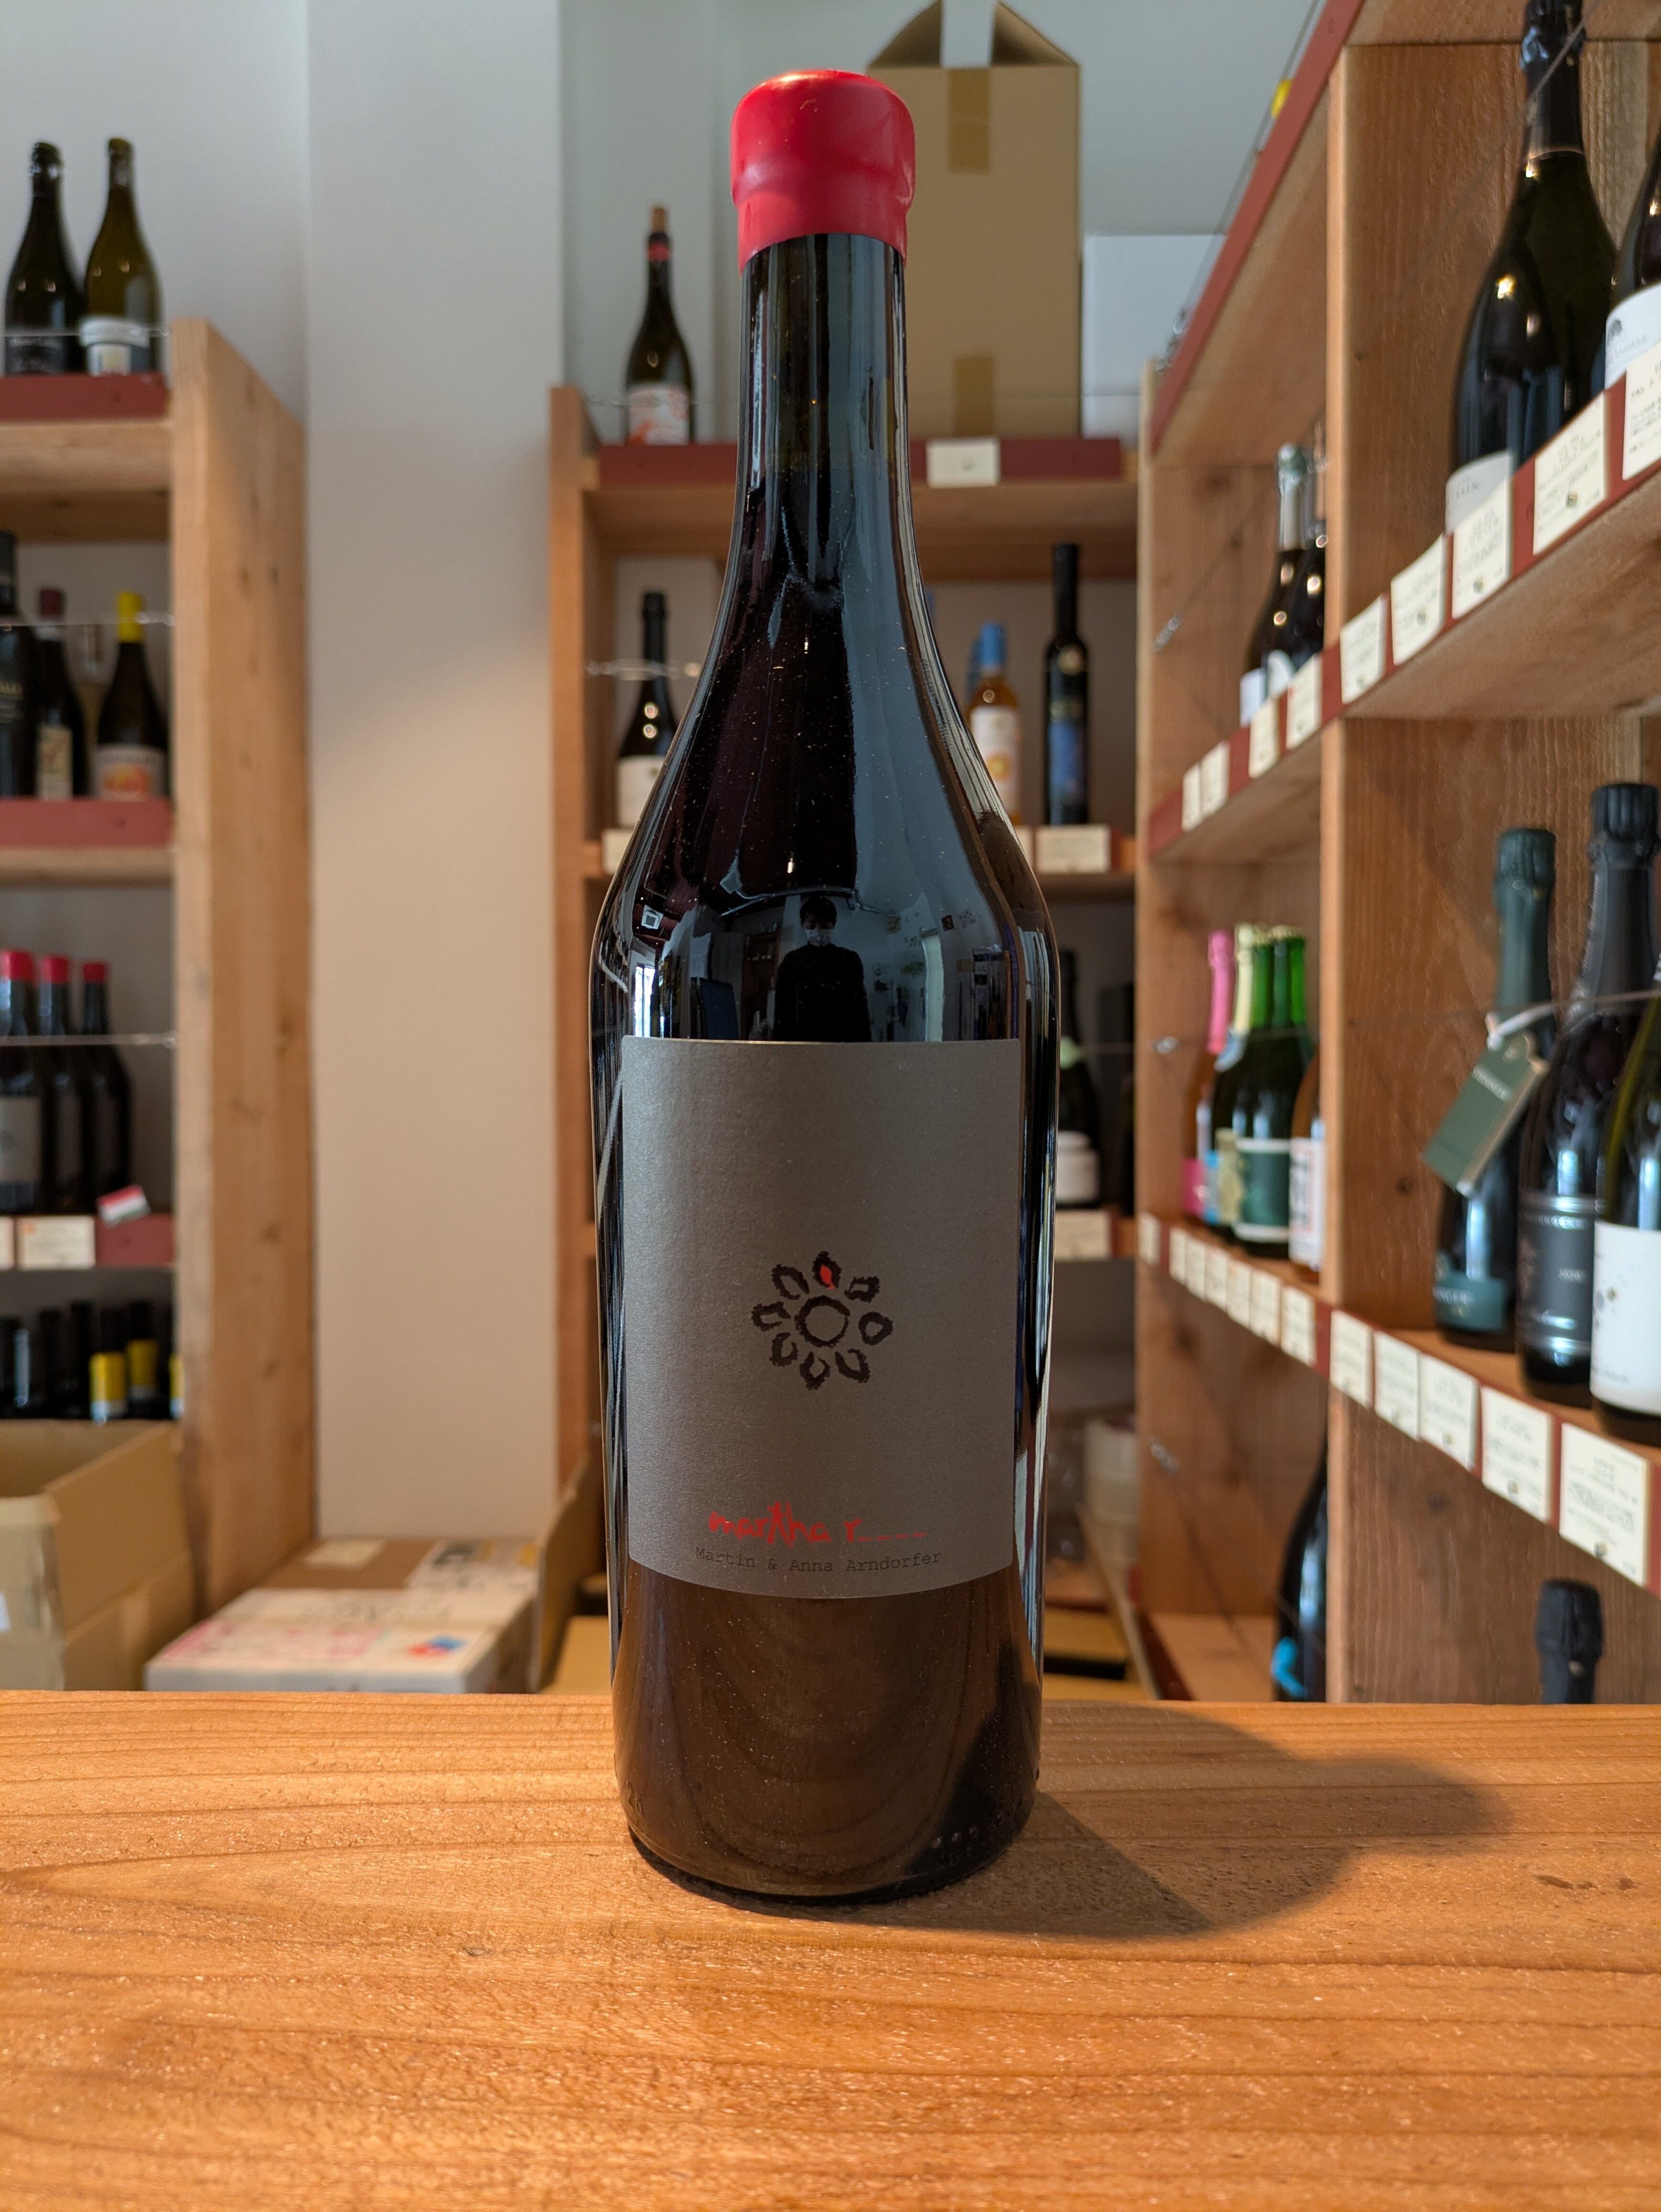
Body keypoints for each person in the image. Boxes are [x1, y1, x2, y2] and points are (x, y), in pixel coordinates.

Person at [772, 894, 871, 1042]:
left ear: (833, 925)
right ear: (803, 925)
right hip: (803, 1045)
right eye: (812, 926)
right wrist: (783, 1049)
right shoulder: (791, 961)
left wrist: (864, 1048)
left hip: (843, 1043)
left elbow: (860, 1009)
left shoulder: (850, 960)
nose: (818, 931)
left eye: (825, 926)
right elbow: (783, 1010)